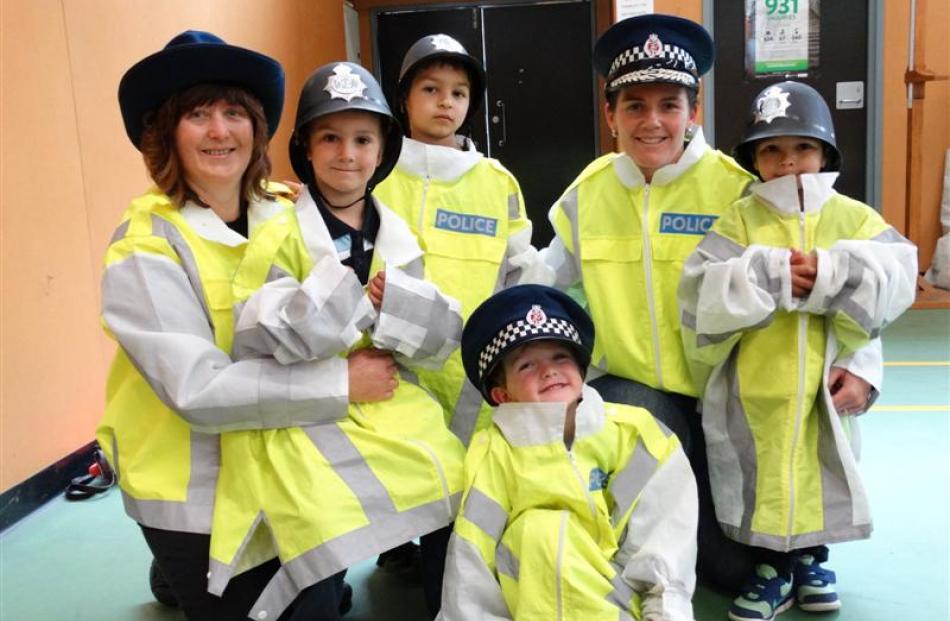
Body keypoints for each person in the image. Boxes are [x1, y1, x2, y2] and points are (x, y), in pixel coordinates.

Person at [541, 14, 885, 592]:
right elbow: (544, 285)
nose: (652, 122)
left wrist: (864, 363)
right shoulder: (586, 194)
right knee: (684, 540)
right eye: (634, 105)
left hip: (732, 398)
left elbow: (831, 272)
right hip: (636, 394)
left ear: (693, 111)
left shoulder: (740, 188)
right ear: (611, 115)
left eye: (669, 104)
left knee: (731, 572)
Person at [206, 62, 466, 620]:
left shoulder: (399, 233)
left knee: (455, 480)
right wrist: (348, 298)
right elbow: (252, 335)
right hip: (304, 413)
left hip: (389, 401)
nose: (346, 154)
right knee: (318, 523)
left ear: (382, 150)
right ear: (304, 146)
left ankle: (451, 608)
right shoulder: (276, 231)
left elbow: (440, 339)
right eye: (330, 137)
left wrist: (398, 304)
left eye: (362, 139)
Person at [99, 30, 346, 620]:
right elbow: (200, 390)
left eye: (234, 112)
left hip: (283, 462)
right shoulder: (144, 247)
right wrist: (344, 383)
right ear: (166, 133)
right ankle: (179, 560)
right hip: (195, 488)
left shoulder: (287, 215)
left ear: (256, 128)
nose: (219, 131)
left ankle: (176, 578)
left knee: (327, 596)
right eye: (197, 115)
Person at [677, 80, 917, 620]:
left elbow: (897, 279)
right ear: (754, 159)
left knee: (817, 471)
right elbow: (697, 291)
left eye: (802, 148)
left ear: (826, 153)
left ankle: (813, 559)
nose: (789, 164)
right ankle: (770, 566)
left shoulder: (853, 218)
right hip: (753, 386)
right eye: (772, 150)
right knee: (758, 477)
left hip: (822, 388)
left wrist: (834, 276)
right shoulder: (740, 219)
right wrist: (766, 273)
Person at [437, 284, 698, 620]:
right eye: (526, 365)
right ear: (502, 396)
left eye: (561, 356)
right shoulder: (492, 453)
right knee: (541, 530)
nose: (549, 370)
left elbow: (665, 536)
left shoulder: (634, 433)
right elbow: (472, 560)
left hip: (618, 607)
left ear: (581, 370)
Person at [374, 33, 550, 447]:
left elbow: (520, 273)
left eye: (458, 92)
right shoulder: (375, 172)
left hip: (475, 375)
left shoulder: (496, 181)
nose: (445, 102)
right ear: (404, 98)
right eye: (431, 89)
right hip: (391, 372)